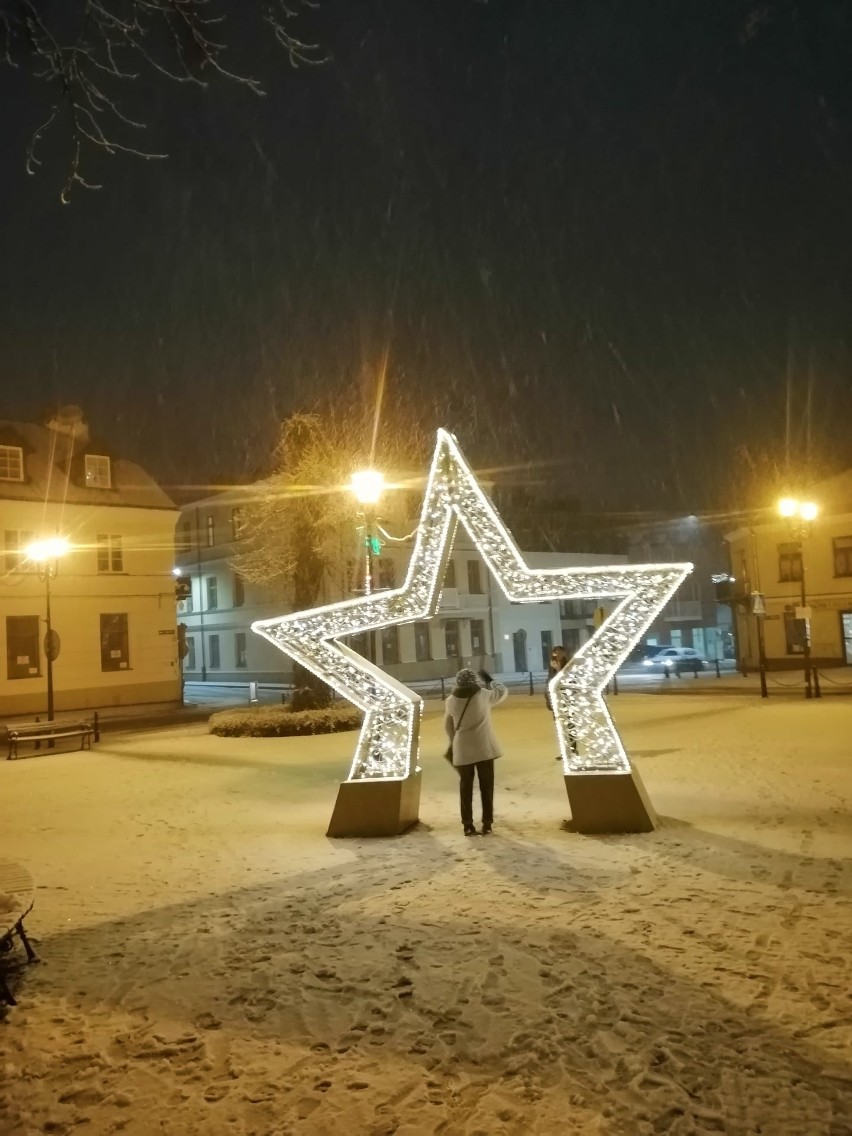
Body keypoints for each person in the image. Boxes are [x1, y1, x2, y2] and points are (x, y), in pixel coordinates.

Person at [444, 667, 508, 836]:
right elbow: (502, 691)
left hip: (463, 749)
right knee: (486, 787)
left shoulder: (451, 700)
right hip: (484, 748)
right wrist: (491, 680)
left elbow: (449, 725)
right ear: (475, 681)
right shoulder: (484, 695)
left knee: (465, 788)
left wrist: (454, 741)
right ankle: (487, 823)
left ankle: (467, 825)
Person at [546, 645, 576, 758]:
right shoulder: (552, 666)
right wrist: (548, 700)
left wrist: (558, 670)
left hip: (567, 699)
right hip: (556, 700)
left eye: (559, 653)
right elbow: (549, 683)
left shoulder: (568, 665)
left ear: (564, 653)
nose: (556, 655)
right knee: (560, 727)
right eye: (554, 653)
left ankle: (573, 750)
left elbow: (567, 681)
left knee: (570, 726)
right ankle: (565, 751)